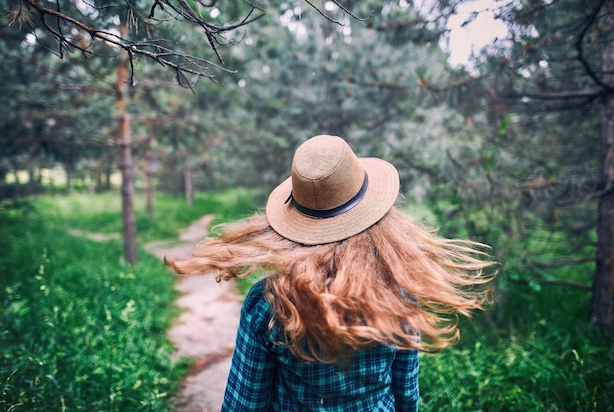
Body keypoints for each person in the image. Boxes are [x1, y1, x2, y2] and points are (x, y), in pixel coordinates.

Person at [167, 134, 495, 411]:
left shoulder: (269, 302)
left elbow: (244, 404)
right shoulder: (399, 294)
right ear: (376, 214)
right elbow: (406, 395)